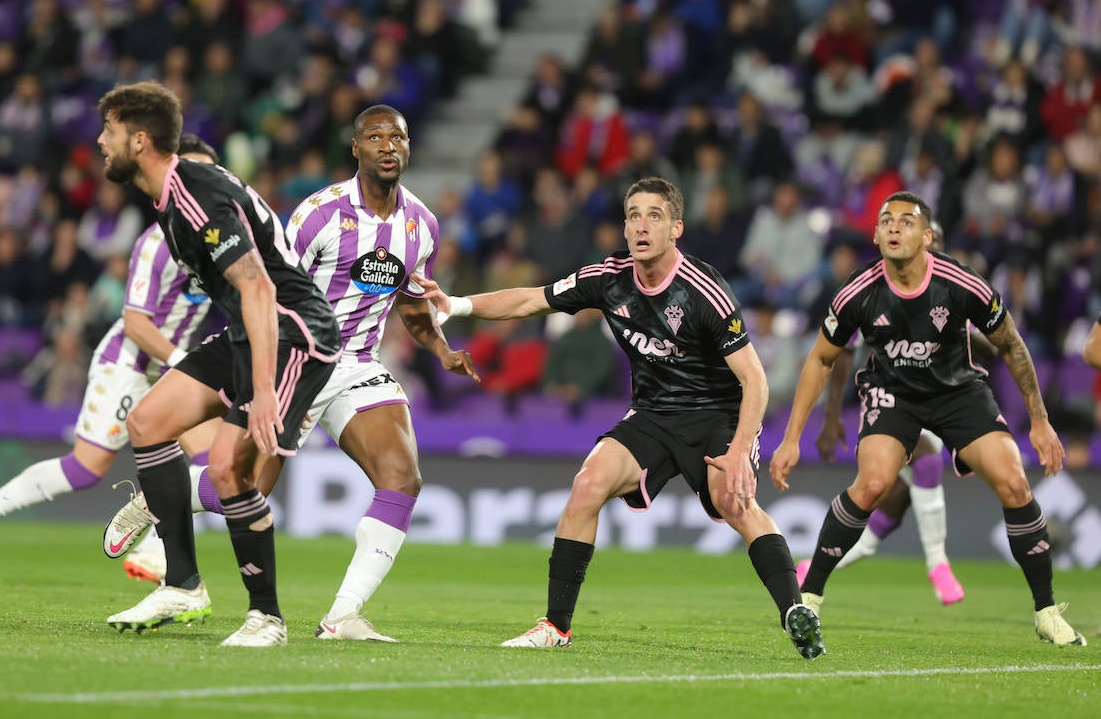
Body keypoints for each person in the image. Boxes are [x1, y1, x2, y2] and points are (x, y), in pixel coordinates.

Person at [109, 104, 480, 641]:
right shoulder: (319, 214)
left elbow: (413, 301)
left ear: (409, 145)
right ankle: (163, 497)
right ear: (355, 149)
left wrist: (442, 349)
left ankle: (342, 615)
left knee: (403, 478)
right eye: (374, 137)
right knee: (235, 485)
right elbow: (272, 283)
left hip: (357, 364)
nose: (387, 146)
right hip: (298, 353)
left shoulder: (421, 225)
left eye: (397, 136)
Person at [415, 177, 823, 658]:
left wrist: (738, 453)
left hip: (716, 413)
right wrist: (458, 305)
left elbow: (756, 380)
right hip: (651, 413)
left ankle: (794, 609)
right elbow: (532, 299)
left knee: (732, 501)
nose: (641, 225)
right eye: (633, 215)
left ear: (676, 228)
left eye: (654, 215)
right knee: (587, 484)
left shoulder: (704, 291)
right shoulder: (607, 279)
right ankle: (555, 627)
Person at [771, 192, 1086, 647]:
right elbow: (822, 358)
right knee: (874, 484)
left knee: (1015, 482)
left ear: (927, 236)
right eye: (886, 221)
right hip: (892, 392)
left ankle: (1046, 611)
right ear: (876, 235)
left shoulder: (961, 283)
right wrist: (792, 438)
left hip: (956, 391)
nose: (895, 228)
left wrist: (1039, 420)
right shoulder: (856, 291)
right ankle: (810, 597)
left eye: (907, 221)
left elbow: (1012, 344)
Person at [95, 81, 342, 647]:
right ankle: (181, 586)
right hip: (246, 333)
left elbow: (256, 287)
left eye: (108, 131)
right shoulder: (169, 196)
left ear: (139, 139)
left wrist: (260, 393)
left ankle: (266, 619)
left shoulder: (193, 193)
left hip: (291, 332)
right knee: (148, 422)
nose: (100, 143)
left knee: (229, 466)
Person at [0, 137, 222, 572]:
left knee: (217, 460)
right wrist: (181, 363)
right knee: (85, 469)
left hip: (175, 365)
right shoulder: (156, 242)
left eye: (207, 175)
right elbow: (136, 323)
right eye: (189, 174)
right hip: (131, 363)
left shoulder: (219, 240)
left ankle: (152, 545)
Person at [795, 222, 990, 605]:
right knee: (928, 462)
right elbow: (842, 352)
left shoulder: (950, 289)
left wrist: (968, 324)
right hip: (892, 403)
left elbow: (992, 349)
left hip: (940, 402)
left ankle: (809, 567)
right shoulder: (875, 290)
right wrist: (833, 416)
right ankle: (938, 563)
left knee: (886, 518)